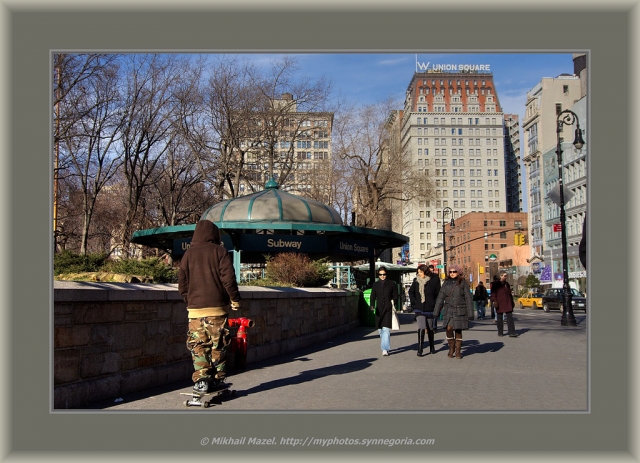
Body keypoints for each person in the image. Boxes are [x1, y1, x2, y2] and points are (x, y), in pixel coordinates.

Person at [178, 220, 242, 393]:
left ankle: (201, 379)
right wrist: (235, 299)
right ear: (214, 235)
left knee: (198, 346)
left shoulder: (188, 254)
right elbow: (228, 279)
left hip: (195, 312)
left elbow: (182, 283)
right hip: (217, 311)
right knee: (218, 345)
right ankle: (217, 379)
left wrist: (189, 300)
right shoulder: (220, 252)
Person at [433, 264, 474, 359]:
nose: (452, 273)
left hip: (460, 309)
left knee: (458, 330)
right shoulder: (446, 283)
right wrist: (436, 312)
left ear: (458, 272)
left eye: (454, 272)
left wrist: (470, 313)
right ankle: (451, 348)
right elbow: (440, 297)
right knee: (449, 329)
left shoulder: (463, 283)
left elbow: (468, 298)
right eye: (450, 272)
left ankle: (458, 350)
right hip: (449, 309)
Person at [409, 264, 441, 356]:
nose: (419, 274)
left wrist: (434, 303)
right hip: (419, 307)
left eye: (421, 272)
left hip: (430, 307)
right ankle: (420, 348)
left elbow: (438, 293)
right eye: (418, 272)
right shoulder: (416, 281)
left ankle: (432, 346)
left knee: (430, 327)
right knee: (421, 326)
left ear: (425, 272)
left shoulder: (434, 280)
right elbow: (411, 292)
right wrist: (414, 302)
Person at [369, 266, 398, 356]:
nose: (382, 276)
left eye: (384, 274)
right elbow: (372, 295)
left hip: (388, 309)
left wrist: (393, 303)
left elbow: (396, 295)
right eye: (380, 274)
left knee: (386, 329)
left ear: (386, 274)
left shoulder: (391, 284)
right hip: (379, 309)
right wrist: (372, 305)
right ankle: (384, 345)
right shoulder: (375, 284)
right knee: (380, 330)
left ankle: (385, 349)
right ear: (378, 275)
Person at [490, 271, 519, 338]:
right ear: (501, 276)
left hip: (507, 302)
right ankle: (500, 332)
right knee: (499, 318)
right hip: (499, 302)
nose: (506, 277)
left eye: (506, 276)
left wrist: (512, 302)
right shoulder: (495, 284)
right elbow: (493, 294)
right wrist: (494, 301)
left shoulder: (507, 284)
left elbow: (509, 294)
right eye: (504, 276)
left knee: (510, 317)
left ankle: (511, 332)